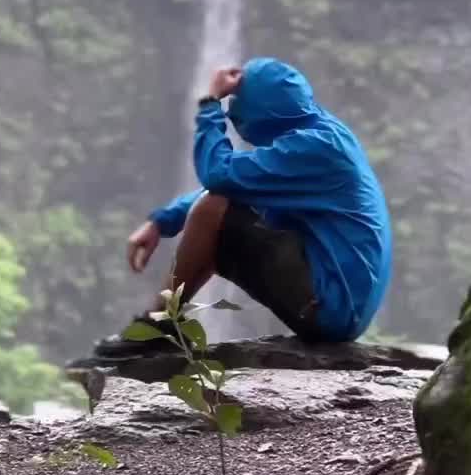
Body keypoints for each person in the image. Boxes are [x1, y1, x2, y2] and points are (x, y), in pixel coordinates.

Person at [95, 56, 392, 357]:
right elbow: (240, 184)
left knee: (215, 210)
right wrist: (163, 220)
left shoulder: (317, 148)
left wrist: (210, 104)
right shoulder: (322, 133)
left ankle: (157, 327)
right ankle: (164, 323)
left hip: (332, 309)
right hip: (338, 303)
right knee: (219, 219)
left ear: (257, 112)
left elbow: (219, 179)